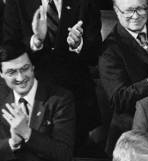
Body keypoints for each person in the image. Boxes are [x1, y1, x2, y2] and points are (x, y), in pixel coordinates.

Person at [2, 0, 101, 146]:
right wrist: (36, 41)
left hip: (76, 100)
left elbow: (95, 54)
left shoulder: (86, 3)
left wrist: (78, 45)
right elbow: (8, 49)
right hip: (31, 97)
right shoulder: (17, 3)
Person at [99, 0, 148, 154]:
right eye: (128, 11)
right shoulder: (109, 50)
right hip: (133, 133)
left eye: (141, 8)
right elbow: (118, 100)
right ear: (116, 10)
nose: (135, 16)